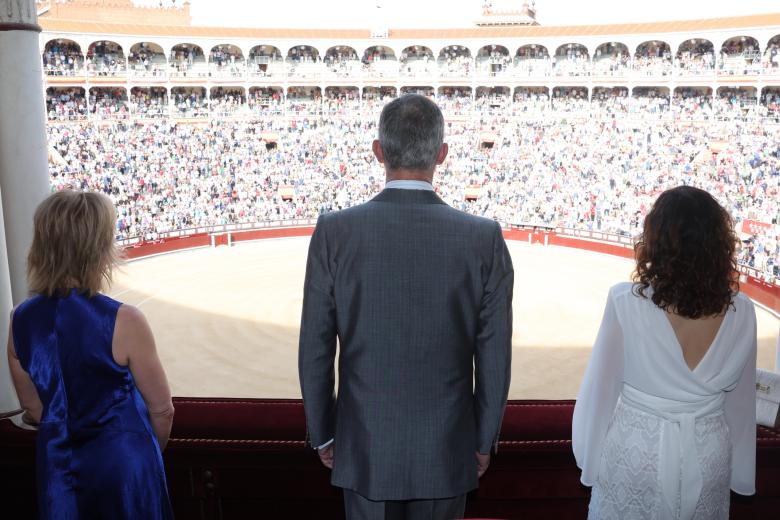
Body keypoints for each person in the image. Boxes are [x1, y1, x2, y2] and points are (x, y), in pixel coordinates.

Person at [298, 94, 513, 520]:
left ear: (378, 151)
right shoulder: (483, 238)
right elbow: (494, 357)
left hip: (364, 445)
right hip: (446, 446)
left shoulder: (334, 232)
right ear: (442, 154)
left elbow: (316, 348)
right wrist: (482, 440)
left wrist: (323, 434)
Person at [572, 185, 757, 519]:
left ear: (656, 241)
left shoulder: (624, 301)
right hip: (708, 455)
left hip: (636, 454)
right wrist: (742, 471)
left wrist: (588, 459)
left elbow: (601, 391)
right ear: (719, 244)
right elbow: (742, 405)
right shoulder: (743, 311)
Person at [7, 190, 175, 519]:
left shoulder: (20, 318)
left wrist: (68, 433)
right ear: (98, 250)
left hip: (59, 461)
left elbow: (33, 405)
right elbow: (163, 410)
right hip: (122, 464)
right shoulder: (125, 320)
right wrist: (145, 451)